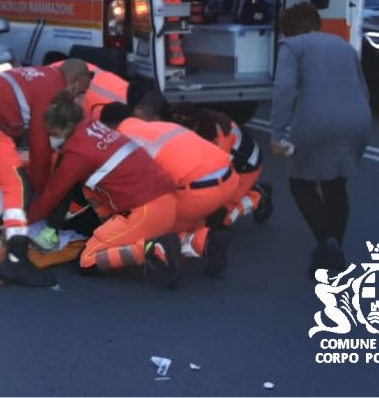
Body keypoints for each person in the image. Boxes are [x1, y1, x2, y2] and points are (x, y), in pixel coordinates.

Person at [0, 59, 94, 286]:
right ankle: (16, 258)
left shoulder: (40, 75)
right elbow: (39, 149)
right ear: (77, 80)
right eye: (81, 91)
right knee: (16, 182)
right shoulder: (53, 88)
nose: (78, 97)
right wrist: (42, 195)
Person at [28, 93, 183, 283]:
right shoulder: (92, 126)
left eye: (52, 133)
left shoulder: (78, 153)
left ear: (67, 127)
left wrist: (23, 220)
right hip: (167, 201)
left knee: (87, 261)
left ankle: (149, 249)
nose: (50, 138)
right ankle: (200, 241)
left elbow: (54, 193)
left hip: (144, 210)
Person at [270, 2, 371, 278]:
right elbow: (363, 88)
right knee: (336, 184)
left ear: (287, 29)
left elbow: (284, 90)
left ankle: (326, 242)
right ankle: (333, 251)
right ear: (318, 24)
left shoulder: (292, 47)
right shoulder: (345, 47)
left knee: (300, 183)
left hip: (318, 122)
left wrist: (277, 133)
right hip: (358, 119)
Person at [99, 102, 239, 282]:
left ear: (107, 127)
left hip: (198, 192)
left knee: (145, 221)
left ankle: (186, 244)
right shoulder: (160, 126)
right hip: (230, 179)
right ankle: (207, 241)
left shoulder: (122, 141)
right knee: (178, 208)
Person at [131, 89, 273, 226]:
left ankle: (258, 196)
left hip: (245, 168)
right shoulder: (177, 119)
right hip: (233, 161)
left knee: (222, 218)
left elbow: (215, 177)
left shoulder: (214, 140)